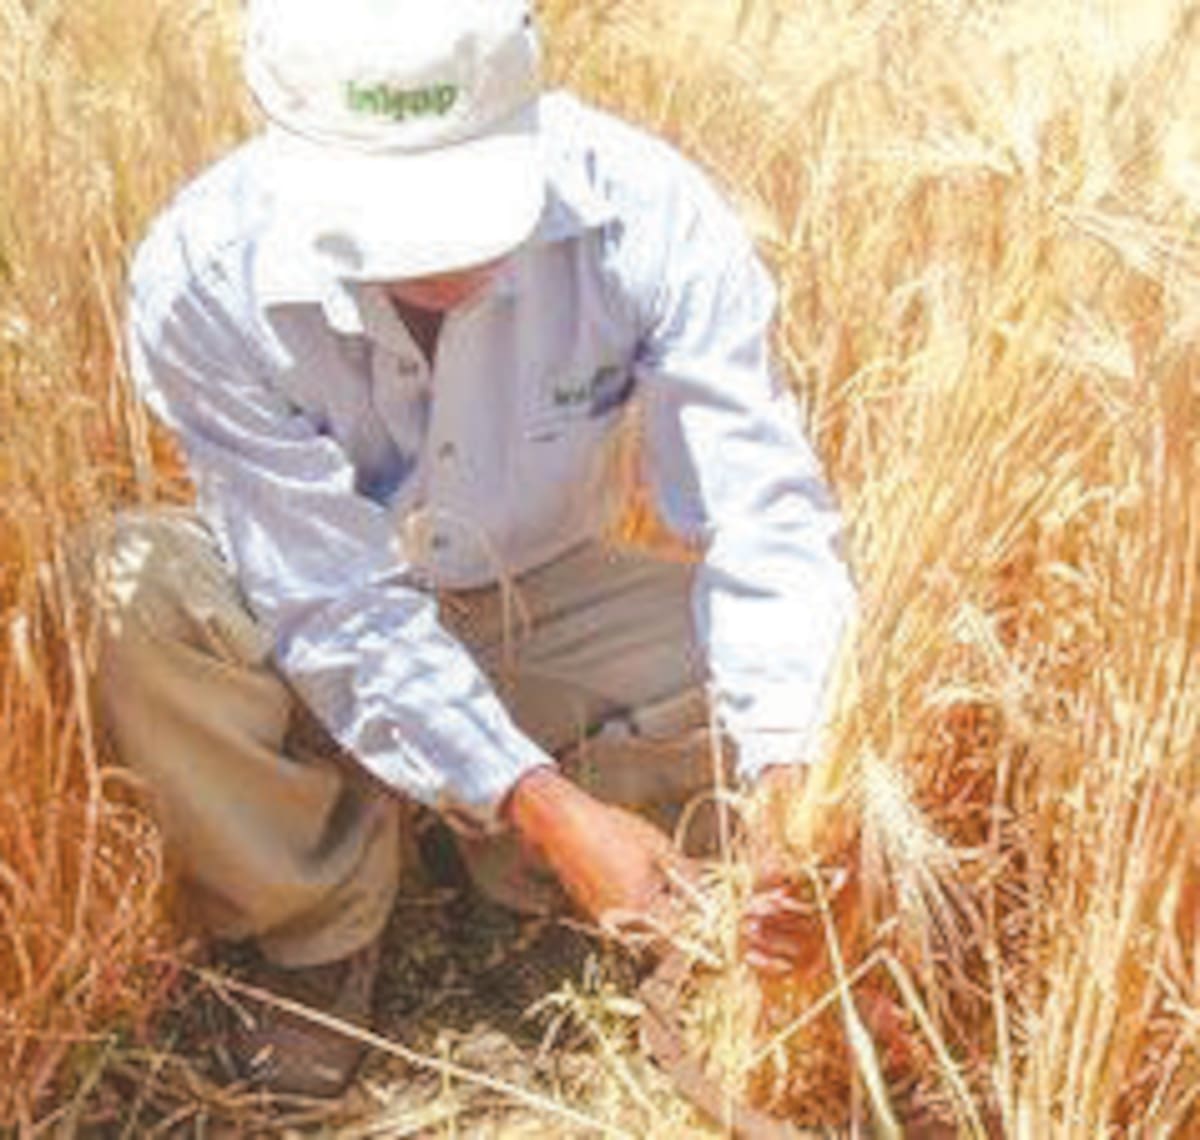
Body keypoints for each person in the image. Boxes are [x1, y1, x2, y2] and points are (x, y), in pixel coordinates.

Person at [93, 0, 855, 1097]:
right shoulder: (202, 275)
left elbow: (764, 516)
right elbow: (331, 600)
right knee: (130, 591)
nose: (450, 255)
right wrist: (551, 809)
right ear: (288, 153)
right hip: (291, 621)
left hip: (535, 598)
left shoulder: (646, 213)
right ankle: (312, 929)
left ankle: (520, 887)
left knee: (792, 669)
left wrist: (792, 786)